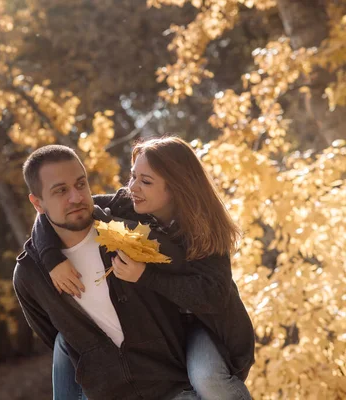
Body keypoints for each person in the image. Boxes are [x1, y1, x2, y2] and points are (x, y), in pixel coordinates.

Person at [32, 136, 255, 400]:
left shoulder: (205, 231)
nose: (133, 187)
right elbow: (59, 210)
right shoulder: (130, 205)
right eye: (133, 176)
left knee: (208, 380)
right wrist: (51, 259)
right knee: (65, 342)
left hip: (203, 326)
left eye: (146, 182)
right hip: (156, 330)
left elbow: (212, 297)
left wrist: (145, 276)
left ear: (176, 187)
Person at [13, 144, 200, 400]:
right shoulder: (30, 275)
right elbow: (56, 337)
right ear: (38, 203)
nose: (76, 197)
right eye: (60, 191)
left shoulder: (126, 226)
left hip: (174, 389)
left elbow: (181, 265)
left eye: (81, 184)